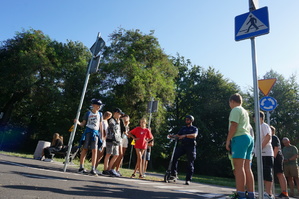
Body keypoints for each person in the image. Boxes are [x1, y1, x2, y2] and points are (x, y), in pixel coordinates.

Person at [225, 93, 255, 199]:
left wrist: (228, 140)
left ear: (232, 101)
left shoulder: (235, 109)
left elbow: (234, 125)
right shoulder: (245, 111)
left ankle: (240, 194)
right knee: (247, 168)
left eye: (229, 103)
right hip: (249, 139)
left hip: (239, 138)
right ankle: (251, 195)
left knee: (238, 168)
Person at [75, 98, 104, 176]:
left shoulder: (100, 114)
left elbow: (101, 125)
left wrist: (102, 135)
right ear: (93, 105)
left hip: (96, 133)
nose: (99, 107)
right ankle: (81, 167)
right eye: (97, 105)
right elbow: (83, 123)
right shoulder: (88, 113)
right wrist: (78, 122)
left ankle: (93, 168)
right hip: (88, 131)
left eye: (99, 106)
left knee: (95, 150)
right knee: (85, 149)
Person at [169, 115, 198, 185]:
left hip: (190, 147)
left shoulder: (194, 128)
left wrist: (185, 136)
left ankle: (188, 179)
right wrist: (172, 136)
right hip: (183, 145)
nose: (186, 121)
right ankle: (174, 174)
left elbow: (194, 135)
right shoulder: (183, 129)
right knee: (174, 156)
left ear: (191, 121)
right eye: (186, 120)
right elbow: (178, 135)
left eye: (188, 120)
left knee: (190, 162)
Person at [253, 111, 274, 199]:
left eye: (254, 118)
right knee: (262, 174)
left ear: (260, 118)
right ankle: (264, 192)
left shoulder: (264, 126)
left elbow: (268, 136)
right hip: (261, 154)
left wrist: (260, 148)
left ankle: (268, 194)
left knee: (267, 173)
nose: (253, 120)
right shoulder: (259, 127)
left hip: (266, 154)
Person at [102, 108, 124, 177]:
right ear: (116, 113)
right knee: (108, 154)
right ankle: (105, 169)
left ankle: (110, 168)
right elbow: (112, 129)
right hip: (111, 139)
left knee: (116, 155)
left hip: (117, 140)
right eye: (119, 114)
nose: (120, 115)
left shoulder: (119, 121)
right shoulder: (112, 120)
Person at [271, 126, 289, 199]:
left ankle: (285, 193)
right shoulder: (270, 138)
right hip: (274, 157)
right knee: (276, 174)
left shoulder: (274, 137)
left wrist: (273, 158)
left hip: (277, 157)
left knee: (280, 174)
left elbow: (276, 148)